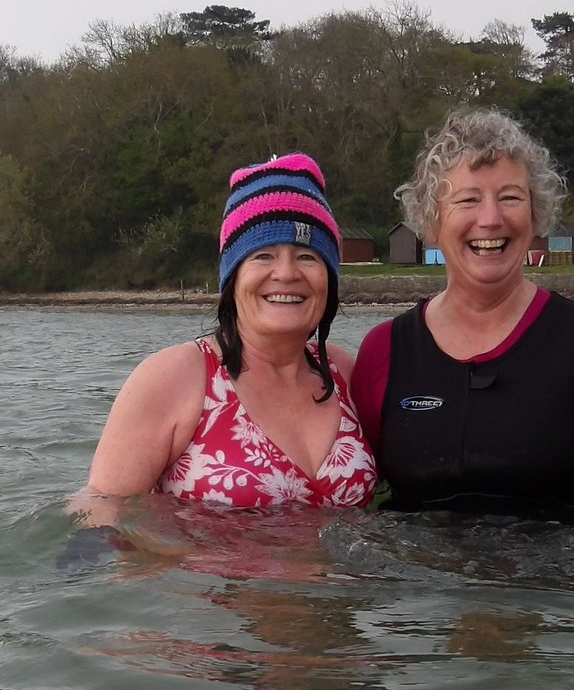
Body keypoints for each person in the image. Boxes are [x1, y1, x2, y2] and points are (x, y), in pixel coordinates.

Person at [350, 108, 574, 537]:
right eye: (467, 199)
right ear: (432, 222)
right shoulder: (384, 349)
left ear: (536, 216)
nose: (491, 219)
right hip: (420, 597)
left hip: (548, 589)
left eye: (510, 197)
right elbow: (359, 496)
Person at [77, 153, 377, 523]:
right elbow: (99, 514)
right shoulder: (174, 379)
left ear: (329, 278)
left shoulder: (348, 375)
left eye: (307, 257)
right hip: (213, 581)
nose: (286, 273)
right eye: (263, 255)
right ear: (232, 279)